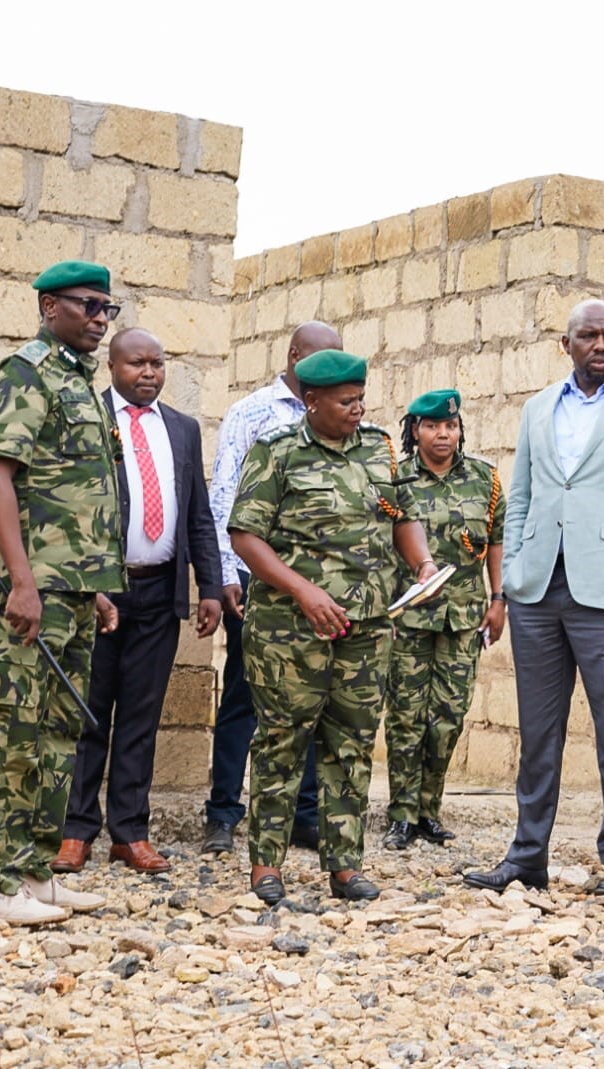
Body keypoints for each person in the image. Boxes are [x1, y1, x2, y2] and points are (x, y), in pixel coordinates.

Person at [463, 299, 604, 900]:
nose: (601, 346)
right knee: (538, 733)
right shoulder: (537, 408)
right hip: (537, 592)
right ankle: (527, 855)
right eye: (589, 336)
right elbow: (523, 498)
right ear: (567, 344)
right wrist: (508, 584)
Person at [228, 349, 441, 904]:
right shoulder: (277, 453)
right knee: (281, 741)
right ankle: (266, 866)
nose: (357, 409)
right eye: (345, 402)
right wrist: (302, 589)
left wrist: (420, 563)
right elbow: (245, 537)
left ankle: (344, 865)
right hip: (290, 630)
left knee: (350, 744)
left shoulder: (377, 447)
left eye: (360, 399)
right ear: (311, 400)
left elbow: (401, 515)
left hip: (366, 627)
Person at [0, 260, 125, 925]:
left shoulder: (83, 384)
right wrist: (23, 580)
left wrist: (96, 587)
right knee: (17, 731)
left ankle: (38, 870)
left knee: (61, 732)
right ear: (47, 305)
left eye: (107, 309)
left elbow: (81, 494)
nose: (98, 318)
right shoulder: (26, 372)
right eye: (87, 305)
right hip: (33, 591)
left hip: (74, 589)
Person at [55, 329, 221, 875]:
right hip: (102, 591)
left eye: (157, 363)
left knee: (141, 716)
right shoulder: (91, 419)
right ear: (112, 366)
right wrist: (85, 580)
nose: (148, 373)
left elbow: (198, 515)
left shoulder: (182, 429)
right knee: (90, 712)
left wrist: (211, 589)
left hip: (159, 591)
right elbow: (73, 509)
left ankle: (129, 832)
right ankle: (76, 830)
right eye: (137, 364)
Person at [201, 323, 339, 856]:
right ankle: (223, 814)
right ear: (294, 355)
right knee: (244, 696)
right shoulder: (252, 413)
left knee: (311, 699)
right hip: (256, 581)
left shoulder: (337, 414)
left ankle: (303, 815)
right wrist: (227, 574)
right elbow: (225, 495)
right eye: (320, 362)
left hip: (316, 588)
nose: (328, 374)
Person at [381, 389, 507, 850]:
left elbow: (495, 541)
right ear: (415, 430)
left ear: (459, 430)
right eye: (432, 426)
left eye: (450, 426)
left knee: (449, 717)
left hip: (463, 618)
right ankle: (400, 814)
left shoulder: (485, 480)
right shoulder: (396, 480)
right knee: (405, 719)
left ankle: (428, 811)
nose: (442, 434)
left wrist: (499, 600)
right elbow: (381, 546)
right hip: (408, 619)